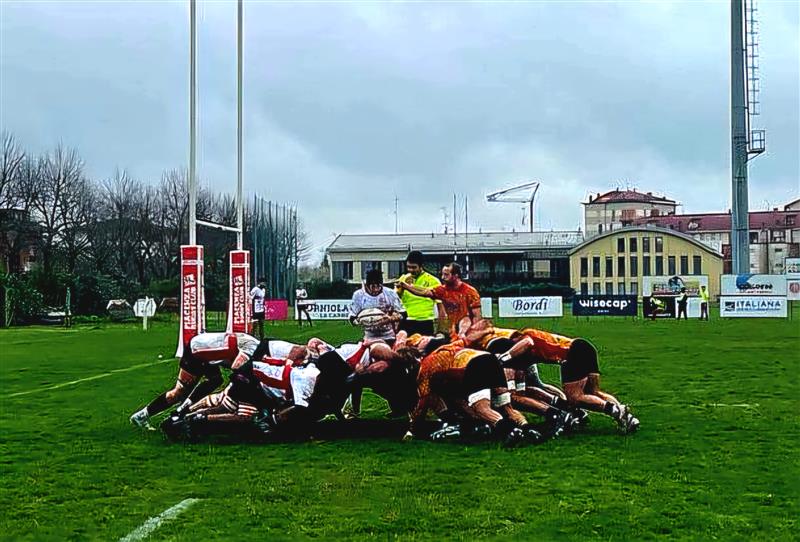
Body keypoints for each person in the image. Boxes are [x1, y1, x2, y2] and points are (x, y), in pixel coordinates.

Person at [495, 327, 639, 434]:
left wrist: (504, 357)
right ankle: (627, 417)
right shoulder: (525, 356)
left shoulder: (525, 336)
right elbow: (523, 388)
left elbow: (527, 342)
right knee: (593, 392)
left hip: (572, 353)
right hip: (583, 346)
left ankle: (616, 411)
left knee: (575, 397)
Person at [130, 331, 260, 430]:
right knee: (180, 391)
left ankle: (183, 409)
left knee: (215, 380)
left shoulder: (254, 345)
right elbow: (237, 368)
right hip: (197, 351)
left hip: (204, 349)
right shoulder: (252, 348)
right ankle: (143, 415)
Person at [346, 268, 407, 418]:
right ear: (366, 285)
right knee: (358, 372)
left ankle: (399, 408)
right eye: (371, 286)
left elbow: (404, 314)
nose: (374, 289)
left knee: (391, 373)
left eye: (377, 286)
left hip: (388, 337)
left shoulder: (390, 294)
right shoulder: (358, 295)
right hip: (369, 339)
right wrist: (359, 320)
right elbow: (352, 317)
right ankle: (354, 410)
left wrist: (390, 318)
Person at [396, 262, 481, 341]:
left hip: (466, 330)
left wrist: (473, 335)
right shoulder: (442, 290)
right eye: (442, 274)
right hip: (451, 332)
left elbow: (477, 316)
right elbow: (424, 292)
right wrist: (406, 286)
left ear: (456, 275)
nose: (443, 277)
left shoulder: (470, 292)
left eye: (446, 275)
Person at [396, 251, 442, 336]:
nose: (410, 270)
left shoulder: (433, 281)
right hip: (407, 319)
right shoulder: (403, 279)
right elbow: (397, 299)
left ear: (421, 266)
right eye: (408, 267)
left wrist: (440, 326)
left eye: (414, 267)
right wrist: (400, 289)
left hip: (425, 320)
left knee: (423, 347)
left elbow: (440, 305)